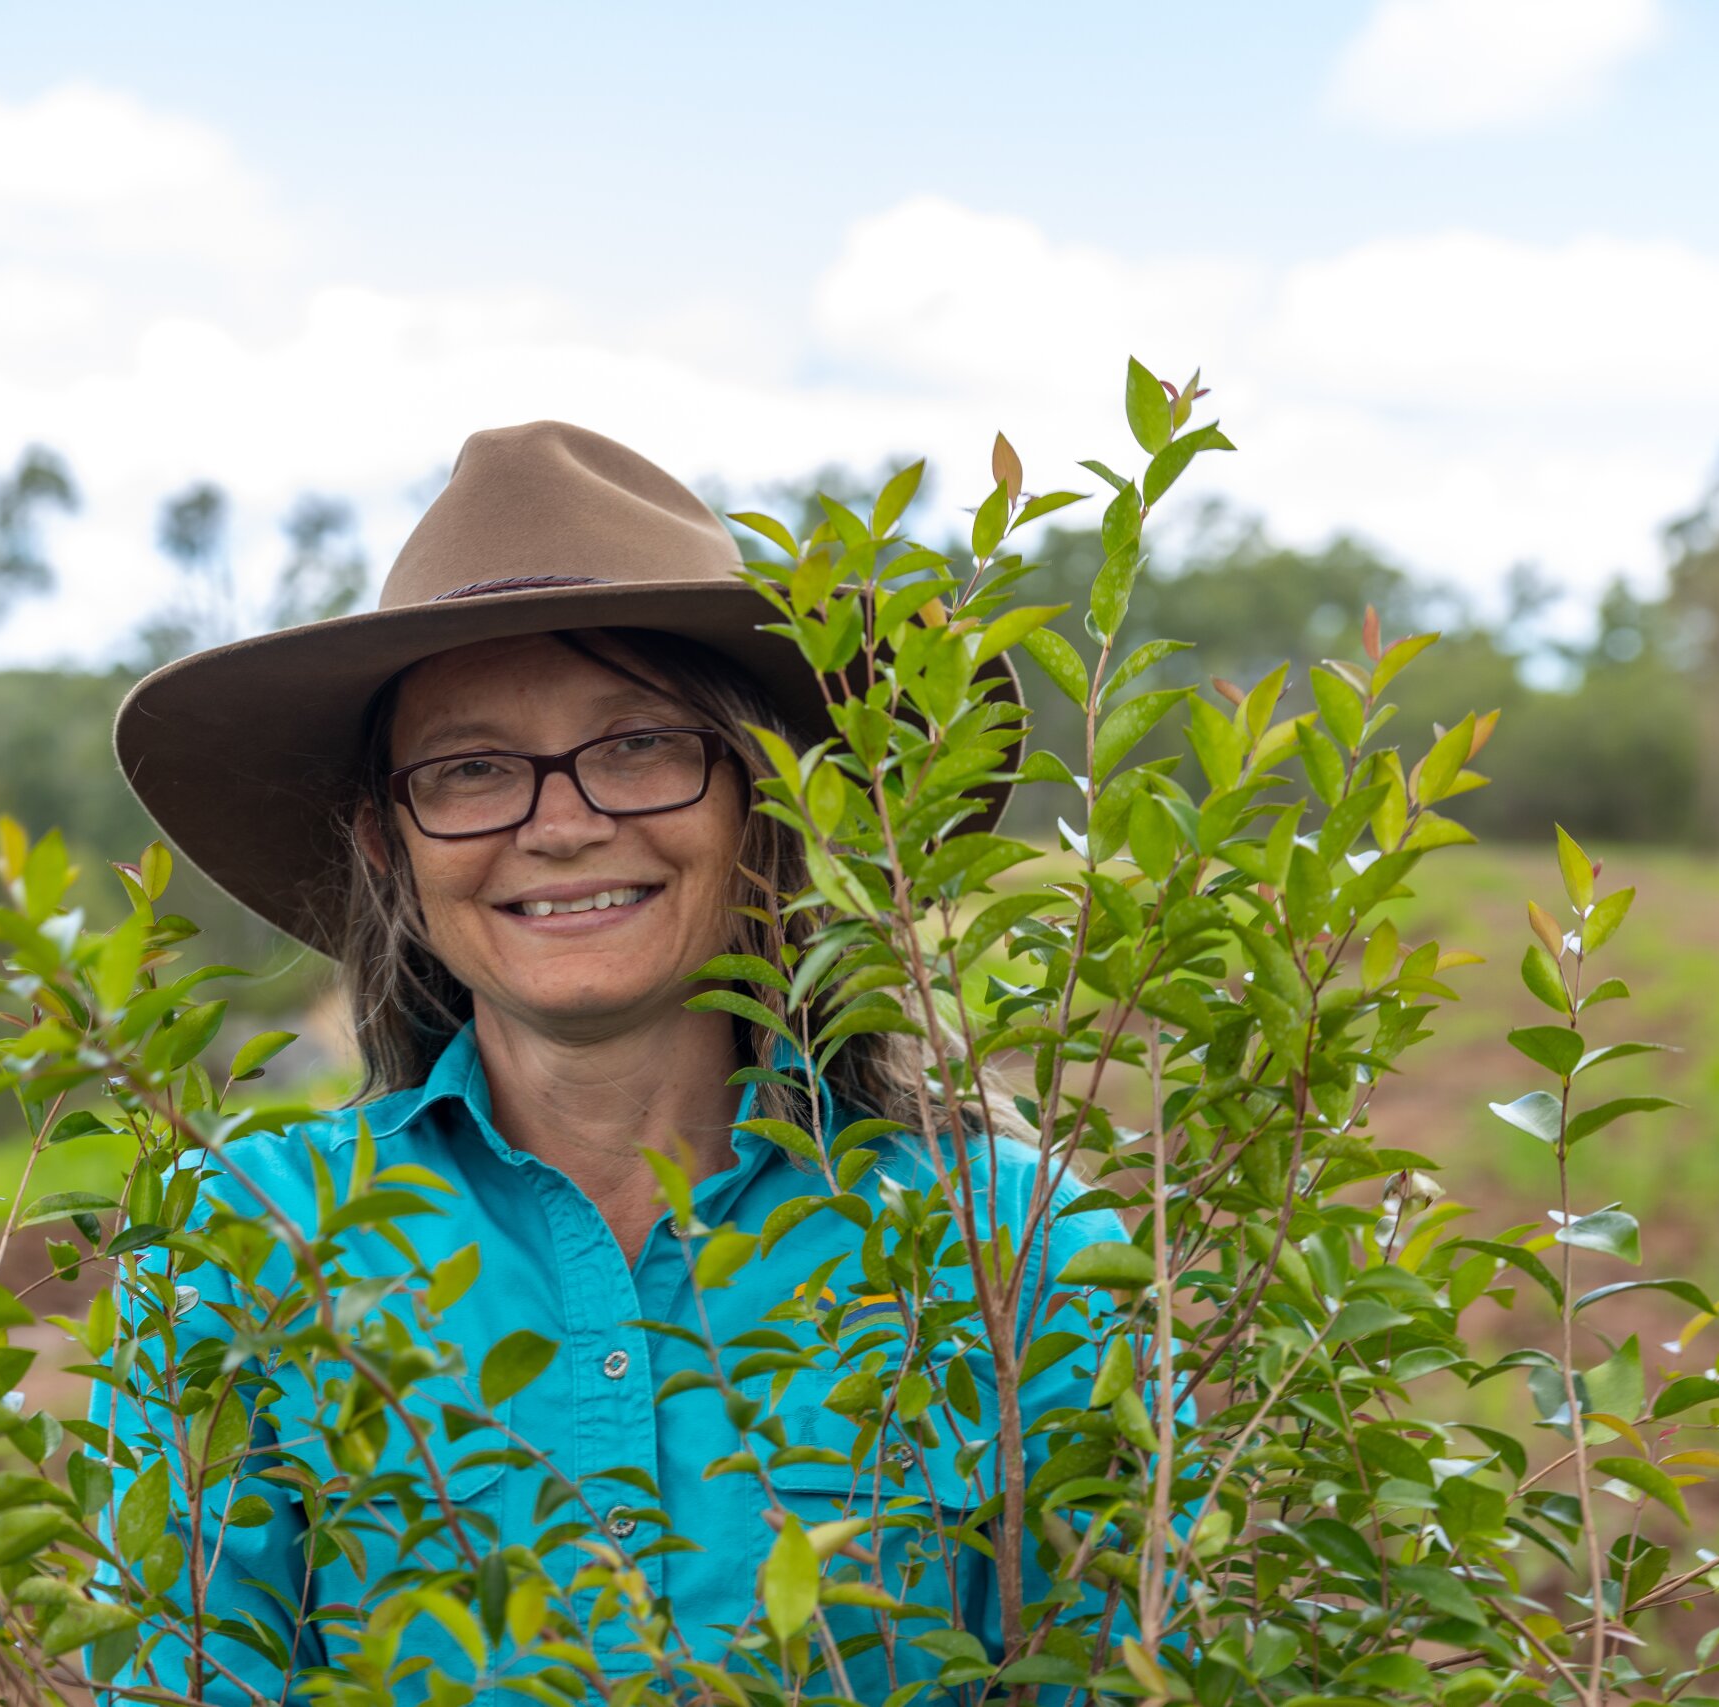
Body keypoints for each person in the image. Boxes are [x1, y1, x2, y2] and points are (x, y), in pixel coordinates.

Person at [95, 422, 1128, 1703]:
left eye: (638, 744)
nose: (565, 824)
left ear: (768, 796)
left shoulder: (1016, 1244)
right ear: (385, 843)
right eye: (471, 769)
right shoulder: (240, 1248)